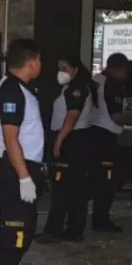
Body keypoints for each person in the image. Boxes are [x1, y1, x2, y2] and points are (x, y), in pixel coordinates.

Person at [0, 38, 44, 265]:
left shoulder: (17, 88)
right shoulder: (12, 90)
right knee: (16, 233)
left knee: (20, 230)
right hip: (14, 170)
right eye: (40, 61)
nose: (41, 66)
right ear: (31, 62)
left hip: (19, 167)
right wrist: (24, 177)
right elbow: (11, 138)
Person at [40, 56, 95, 243]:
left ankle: (55, 230)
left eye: (65, 68)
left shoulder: (76, 89)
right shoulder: (72, 87)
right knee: (75, 188)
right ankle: (73, 229)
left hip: (72, 141)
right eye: (59, 68)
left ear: (76, 69)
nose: (61, 72)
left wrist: (58, 142)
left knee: (62, 187)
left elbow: (71, 118)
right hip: (78, 140)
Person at [88, 52, 131, 233]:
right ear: (119, 69)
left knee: (95, 179)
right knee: (106, 181)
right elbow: (116, 116)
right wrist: (131, 118)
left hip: (91, 133)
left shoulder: (95, 81)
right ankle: (101, 220)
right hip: (106, 136)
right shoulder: (112, 85)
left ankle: (95, 217)